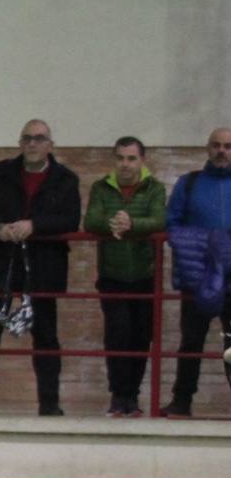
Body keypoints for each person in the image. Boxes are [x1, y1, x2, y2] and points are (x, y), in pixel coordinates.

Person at [0, 119, 82, 416]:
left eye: (39, 139)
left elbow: (70, 220)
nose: (32, 144)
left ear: (50, 145)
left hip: (43, 268)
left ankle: (49, 406)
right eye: (27, 138)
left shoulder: (66, 179)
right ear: (20, 143)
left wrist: (34, 226)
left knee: (46, 337)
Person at [82, 138, 167, 418]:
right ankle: (119, 397)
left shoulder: (155, 188)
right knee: (117, 335)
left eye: (131, 158)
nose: (125, 164)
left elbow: (159, 220)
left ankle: (133, 396)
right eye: (120, 158)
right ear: (114, 160)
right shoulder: (100, 187)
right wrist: (114, 223)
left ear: (142, 160)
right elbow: (90, 221)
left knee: (141, 337)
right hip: (112, 275)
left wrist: (130, 224)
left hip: (145, 277)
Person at [162, 127, 231, 418]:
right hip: (197, 275)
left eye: (228, 146)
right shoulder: (188, 184)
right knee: (191, 340)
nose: (221, 151)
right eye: (216, 145)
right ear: (207, 148)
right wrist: (198, 245)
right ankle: (181, 401)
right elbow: (172, 223)